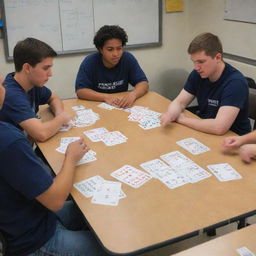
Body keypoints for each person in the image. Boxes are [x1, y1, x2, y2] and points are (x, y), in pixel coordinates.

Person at [0, 80, 106, 256]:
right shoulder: (8, 139)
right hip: (33, 239)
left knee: (95, 207)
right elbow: (56, 200)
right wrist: (71, 157)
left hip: (32, 212)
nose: (3, 82)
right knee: (114, 249)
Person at [161, 32, 251, 136]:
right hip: (206, 131)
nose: (196, 67)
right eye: (194, 62)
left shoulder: (235, 83)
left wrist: (181, 119)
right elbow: (180, 102)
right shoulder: (198, 74)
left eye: (201, 62)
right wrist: (170, 114)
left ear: (217, 57)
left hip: (234, 140)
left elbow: (219, 127)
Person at [0, 38, 71, 142]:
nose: (50, 73)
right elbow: (41, 134)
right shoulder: (12, 94)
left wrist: (59, 113)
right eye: (45, 68)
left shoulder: (31, 84)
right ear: (27, 68)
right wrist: (61, 119)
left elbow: (53, 97)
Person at [75, 25, 149, 108]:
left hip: (120, 106)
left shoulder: (127, 58)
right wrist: (105, 97)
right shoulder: (90, 62)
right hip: (97, 106)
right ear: (100, 49)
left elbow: (143, 83)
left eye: (119, 48)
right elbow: (81, 91)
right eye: (110, 49)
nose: (116, 54)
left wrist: (133, 95)